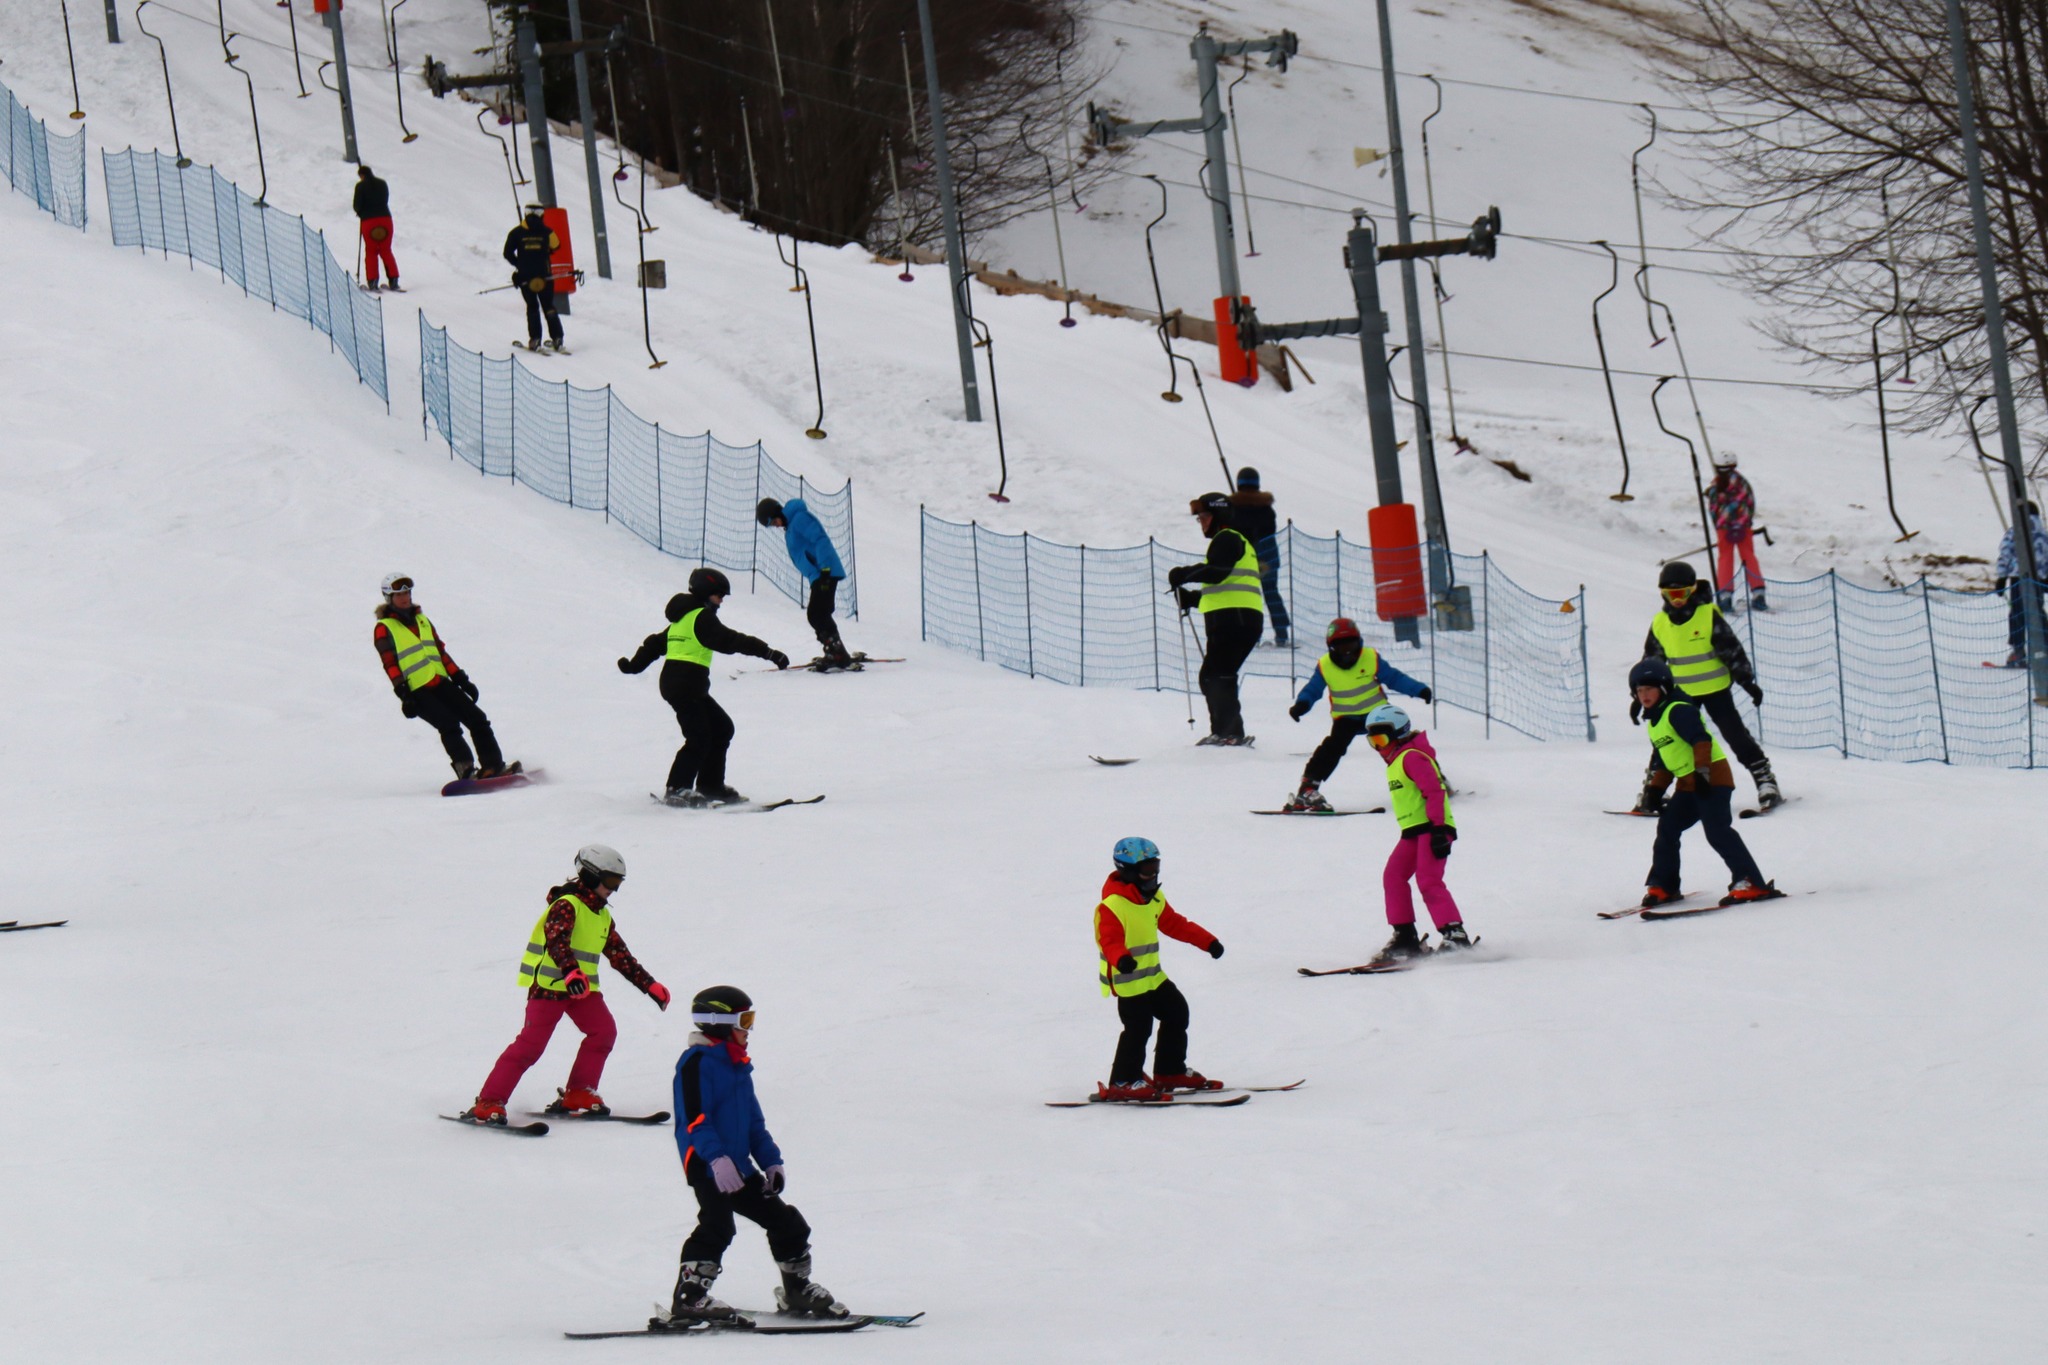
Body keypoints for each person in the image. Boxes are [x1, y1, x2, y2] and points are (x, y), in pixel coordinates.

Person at [658, 985, 849, 1328]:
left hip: (739, 1165)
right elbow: (695, 1119)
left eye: (751, 1019)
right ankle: (688, 1298)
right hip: (706, 1163)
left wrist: (771, 1161)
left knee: (788, 1223)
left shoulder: (737, 1065)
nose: (748, 1029)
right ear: (717, 1022)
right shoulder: (695, 1063)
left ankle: (796, 1290)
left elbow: (753, 1123)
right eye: (744, 1020)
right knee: (717, 1226)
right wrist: (716, 1160)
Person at [456, 844, 671, 1126]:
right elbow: (557, 940)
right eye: (610, 881)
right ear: (591, 876)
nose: (614, 889)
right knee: (530, 1046)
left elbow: (620, 956)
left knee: (603, 1032)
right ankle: (488, 1102)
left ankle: (579, 1092)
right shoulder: (566, 905)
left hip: (582, 992)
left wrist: (649, 985)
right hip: (550, 987)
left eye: (619, 882)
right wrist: (570, 972)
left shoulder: (602, 916)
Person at [619, 568, 788, 806]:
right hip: (684, 685)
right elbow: (731, 639)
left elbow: (655, 644)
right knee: (699, 736)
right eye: (719, 596)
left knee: (721, 728)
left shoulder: (684, 617)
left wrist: (633, 666)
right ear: (707, 593)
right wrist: (769, 652)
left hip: (687, 685)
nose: (721, 602)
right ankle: (677, 788)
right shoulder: (701, 617)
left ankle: (711, 785)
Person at [1629, 658, 1777, 908]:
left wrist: (1703, 773)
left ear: (1663, 688)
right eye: (1639, 690)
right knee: (1668, 828)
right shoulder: (1655, 720)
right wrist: (1654, 791)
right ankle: (1664, 885)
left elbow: (1701, 741)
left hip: (1712, 780)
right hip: (1689, 785)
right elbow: (1665, 760)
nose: (1644, 695)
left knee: (1717, 831)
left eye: (1649, 689)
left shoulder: (1678, 709)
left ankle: (1751, 882)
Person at [1635, 561, 1781, 812]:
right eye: (1671, 594)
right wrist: (1638, 694)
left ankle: (1765, 780)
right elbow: (1653, 662)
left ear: (1693, 590)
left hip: (1715, 691)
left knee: (1735, 736)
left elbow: (1731, 649)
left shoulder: (1707, 614)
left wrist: (1746, 681)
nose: (1677, 600)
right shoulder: (1660, 623)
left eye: (1682, 593)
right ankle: (1653, 790)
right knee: (1667, 740)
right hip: (1680, 696)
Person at [1092, 837, 1226, 1102]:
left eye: (1156, 867)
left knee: (1177, 1012)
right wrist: (1122, 959)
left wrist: (1207, 941)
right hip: (1128, 979)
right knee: (1138, 1028)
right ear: (1127, 870)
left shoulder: (1152, 898)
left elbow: (1174, 923)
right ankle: (1123, 1080)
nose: (1153, 875)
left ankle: (1169, 1071)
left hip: (1153, 977)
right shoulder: (1112, 906)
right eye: (1147, 869)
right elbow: (1108, 940)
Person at [373, 572, 517, 781]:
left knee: (477, 719)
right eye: (399, 595)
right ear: (389, 599)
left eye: (407, 592)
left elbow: (440, 652)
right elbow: (390, 663)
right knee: (448, 724)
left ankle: (493, 766)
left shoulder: (422, 620)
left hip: (441, 682)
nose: (405, 597)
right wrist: (403, 693)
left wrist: (460, 678)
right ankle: (466, 771)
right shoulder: (384, 628)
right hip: (417, 689)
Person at [1282, 617, 1433, 811]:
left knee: (1398, 747)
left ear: (1359, 642)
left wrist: (1418, 689)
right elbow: (1313, 688)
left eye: (1351, 645)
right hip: (1346, 718)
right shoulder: (1325, 666)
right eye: (1341, 646)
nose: (1347, 652)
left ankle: (1426, 779)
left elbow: (1394, 678)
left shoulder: (1370, 657)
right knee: (1332, 748)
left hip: (1377, 715)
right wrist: (1302, 704)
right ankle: (1308, 789)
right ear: (1331, 647)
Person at [1363, 704, 1473, 966]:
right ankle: (1404, 936)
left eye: (1381, 739)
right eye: (1372, 741)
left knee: (1428, 880)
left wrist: (1438, 829)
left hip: (1433, 829)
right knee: (1393, 876)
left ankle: (1454, 934)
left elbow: (1435, 792)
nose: (1378, 747)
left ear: (1399, 734)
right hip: (1413, 831)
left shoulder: (1412, 756)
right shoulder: (1397, 761)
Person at [1165, 492, 1265, 746]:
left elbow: (1217, 572)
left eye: (1205, 516)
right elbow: (1224, 587)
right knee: (1214, 674)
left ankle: (1230, 732)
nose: (1202, 522)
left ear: (1219, 515)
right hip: (1235, 617)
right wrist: (1192, 599)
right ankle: (1225, 731)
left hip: (1235, 620)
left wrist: (1183, 574)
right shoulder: (1232, 541)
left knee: (1217, 674)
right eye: (1199, 518)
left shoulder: (1227, 538)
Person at [755, 497, 852, 669]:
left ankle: (837, 653)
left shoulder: (799, 519)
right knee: (818, 613)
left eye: (773, 521)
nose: (775, 525)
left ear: (776, 512)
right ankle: (834, 650)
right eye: (771, 525)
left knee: (817, 613)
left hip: (825, 572)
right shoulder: (790, 527)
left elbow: (820, 539)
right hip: (818, 574)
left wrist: (825, 569)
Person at [1229, 466, 1290, 646]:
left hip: (1244, 559)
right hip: (1267, 557)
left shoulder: (1233, 508)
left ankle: (1250, 635)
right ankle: (1281, 633)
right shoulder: (1267, 509)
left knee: (1247, 596)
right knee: (1271, 593)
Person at [502, 204, 565, 354]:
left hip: (526, 278)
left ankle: (535, 339)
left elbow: (507, 253)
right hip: (545, 276)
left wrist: (520, 265)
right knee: (549, 306)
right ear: (542, 214)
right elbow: (557, 245)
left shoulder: (516, 232)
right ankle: (557, 338)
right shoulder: (547, 232)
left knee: (532, 307)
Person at [1707, 454, 1765, 611]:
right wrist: (1744, 522)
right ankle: (1758, 592)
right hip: (1743, 528)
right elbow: (1750, 504)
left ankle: (1725, 596)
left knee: (1725, 558)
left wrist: (1720, 524)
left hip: (1724, 529)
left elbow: (1713, 509)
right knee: (1748, 556)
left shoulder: (1716, 486)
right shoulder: (1743, 484)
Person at [1994, 500, 2048, 668]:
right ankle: (2043, 649)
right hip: (2037, 579)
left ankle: (2018, 651)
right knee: (2037, 612)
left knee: (2017, 613)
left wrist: (2002, 577)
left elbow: (2006, 552)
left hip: (2018, 578)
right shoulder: (2043, 533)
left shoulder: (2015, 531)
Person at [352, 165, 401, 293]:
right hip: (386, 219)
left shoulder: (360, 186)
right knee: (386, 250)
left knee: (371, 251)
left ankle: (373, 282)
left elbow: (356, 205)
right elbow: (385, 199)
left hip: (369, 221)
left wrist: (361, 212)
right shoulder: (382, 183)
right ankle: (394, 280)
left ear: (361, 175)